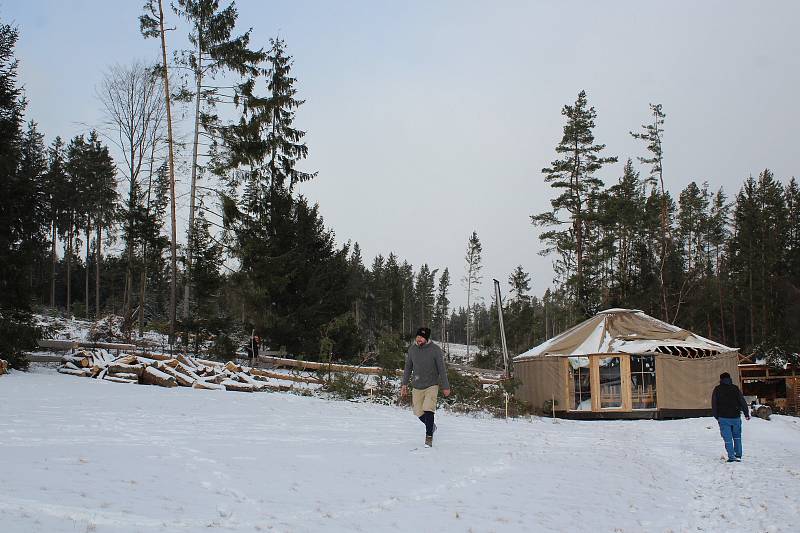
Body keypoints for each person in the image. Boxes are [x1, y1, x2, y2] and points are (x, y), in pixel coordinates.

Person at [400, 326, 451, 447]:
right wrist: (404, 384)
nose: (419, 339)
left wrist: (446, 386)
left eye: (421, 338)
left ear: (426, 338)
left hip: (431, 385)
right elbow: (408, 368)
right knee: (418, 412)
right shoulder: (412, 350)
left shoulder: (435, 350)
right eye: (418, 337)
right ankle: (431, 426)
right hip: (417, 385)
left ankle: (429, 437)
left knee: (428, 408)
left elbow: (442, 370)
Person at [711, 372, 751, 462]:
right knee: (737, 437)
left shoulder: (717, 389)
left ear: (720, 379)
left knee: (727, 438)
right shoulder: (735, 388)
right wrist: (746, 414)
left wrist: (716, 416)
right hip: (736, 417)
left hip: (723, 417)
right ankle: (738, 455)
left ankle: (731, 456)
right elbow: (742, 401)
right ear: (730, 379)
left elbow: (714, 403)